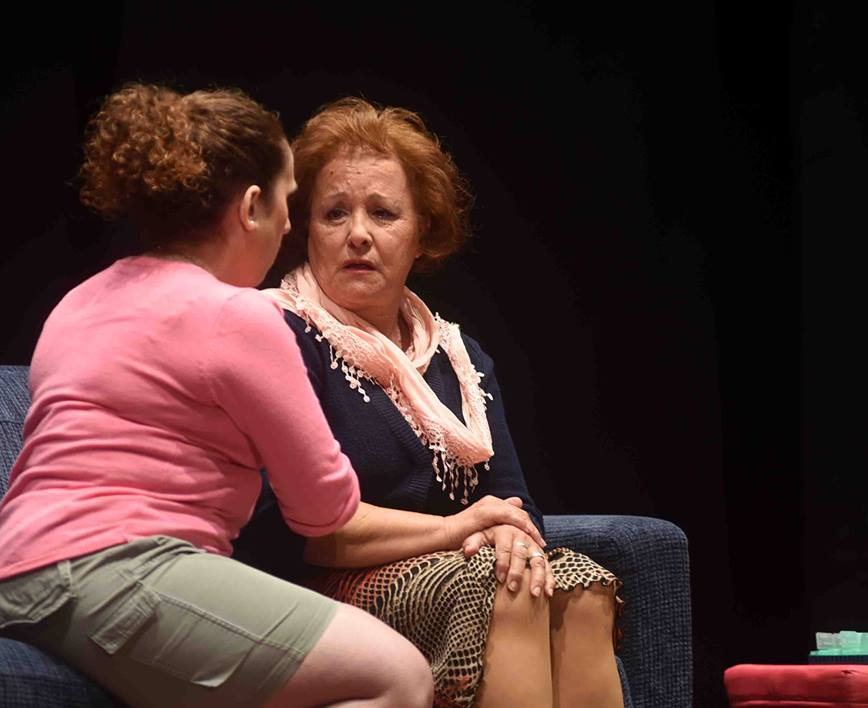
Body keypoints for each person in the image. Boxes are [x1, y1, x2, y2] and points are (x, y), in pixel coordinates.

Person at [0, 83, 476, 708]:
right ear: (253, 206)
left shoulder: (79, 300)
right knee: (397, 675)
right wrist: (455, 524)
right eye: (289, 201)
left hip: (6, 581)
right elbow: (322, 512)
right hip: (115, 573)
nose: (289, 226)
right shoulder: (240, 316)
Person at [239, 98, 627, 707]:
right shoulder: (282, 334)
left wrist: (511, 535)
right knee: (504, 588)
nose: (358, 234)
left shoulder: (458, 358)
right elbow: (287, 527)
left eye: (383, 213)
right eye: (335, 213)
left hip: (450, 565)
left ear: (422, 234)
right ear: (306, 228)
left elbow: (514, 500)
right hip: (313, 586)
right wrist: (454, 529)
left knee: (579, 587)